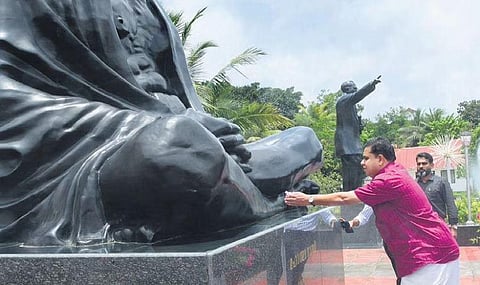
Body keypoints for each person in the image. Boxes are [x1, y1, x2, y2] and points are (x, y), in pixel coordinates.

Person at [0, 0, 323, 246]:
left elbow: (174, 94)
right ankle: (266, 203)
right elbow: (7, 97)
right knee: (177, 149)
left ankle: (231, 186)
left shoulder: (149, 7)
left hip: (193, 142)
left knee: (303, 140)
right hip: (100, 151)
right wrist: (147, 122)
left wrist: (209, 129)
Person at [285, 137, 460, 284]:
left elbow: (344, 198)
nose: (362, 163)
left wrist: (308, 199)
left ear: (381, 159)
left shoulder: (389, 179)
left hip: (430, 255)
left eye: (366, 158)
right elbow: (369, 207)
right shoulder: (395, 173)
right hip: (430, 253)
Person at [335, 75, 381, 191]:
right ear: (347, 89)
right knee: (355, 172)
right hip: (348, 146)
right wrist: (371, 84)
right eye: (353, 87)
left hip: (351, 145)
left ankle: (354, 195)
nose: (356, 89)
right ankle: (351, 199)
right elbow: (358, 95)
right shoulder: (345, 99)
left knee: (356, 173)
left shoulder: (349, 103)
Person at [416, 152, 459, 238]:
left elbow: (450, 204)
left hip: (438, 226)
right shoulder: (414, 184)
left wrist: (453, 227)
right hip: (420, 228)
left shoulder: (441, 182)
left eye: (424, 163)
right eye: (419, 164)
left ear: (432, 165)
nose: (421, 166)